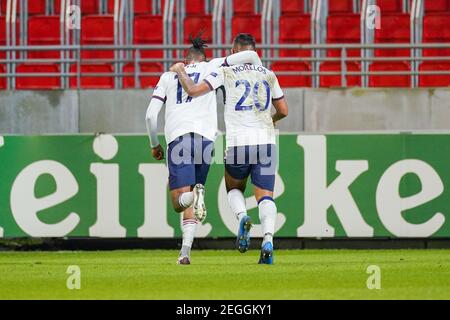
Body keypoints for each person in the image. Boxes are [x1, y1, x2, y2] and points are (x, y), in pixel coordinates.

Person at [170, 33, 289, 265]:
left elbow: (193, 91)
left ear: (234, 53)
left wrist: (180, 71)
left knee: (233, 188)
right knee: (265, 196)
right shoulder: (269, 74)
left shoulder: (225, 71)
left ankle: (243, 216)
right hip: (266, 141)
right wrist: (270, 121)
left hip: (238, 142)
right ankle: (268, 240)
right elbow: (284, 110)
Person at [145, 34, 262, 265]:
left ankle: (193, 197)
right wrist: (258, 70)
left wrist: (154, 145)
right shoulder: (214, 65)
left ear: (185, 60)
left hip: (179, 140)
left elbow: (150, 115)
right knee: (192, 195)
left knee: (179, 201)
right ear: (202, 58)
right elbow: (251, 55)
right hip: (209, 141)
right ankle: (185, 253)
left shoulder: (169, 76)